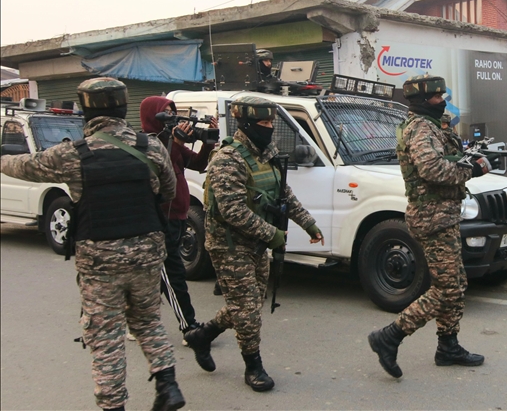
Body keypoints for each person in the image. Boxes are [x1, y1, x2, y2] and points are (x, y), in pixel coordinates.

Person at [0, 78, 185, 411]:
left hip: (100, 259)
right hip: (146, 250)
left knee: (105, 334)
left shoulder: (72, 154)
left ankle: (113, 405)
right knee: (148, 321)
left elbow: (24, 166)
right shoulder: (151, 147)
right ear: (123, 107)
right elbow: (168, 191)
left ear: (86, 110)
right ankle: (168, 386)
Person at [184, 95, 323, 392]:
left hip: (256, 243)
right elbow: (232, 210)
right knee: (247, 310)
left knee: (248, 304)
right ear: (246, 124)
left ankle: (202, 335)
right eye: (264, 122)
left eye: (272, 122)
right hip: (229, 245)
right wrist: (273, 234)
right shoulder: (227, 159)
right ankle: (253, 366)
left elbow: (283, 193)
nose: (270, 127)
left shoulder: (266, 153)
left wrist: (308, 223)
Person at [368, 74, 492, 378]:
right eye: (437, 97)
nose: (442, 101)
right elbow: (432, 169)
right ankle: (390, 336)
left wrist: (468, 158)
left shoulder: (433, 125)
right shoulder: (421, 128)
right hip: (432, 217)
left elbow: (445, 159)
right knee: (446, 289)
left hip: (444, 215)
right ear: (423, 100)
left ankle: (448, 345)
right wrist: (471, 171)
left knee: (456, 284)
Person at [140, 96, 218, 338]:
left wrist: (208, 141)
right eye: (166, 113)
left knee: (157, 275)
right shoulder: (146, 144)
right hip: (161, 220)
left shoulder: (170, 141)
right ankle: (189, 326)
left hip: (179, 217)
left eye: (173, 112)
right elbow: (161, 169)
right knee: (172, 273)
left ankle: (139, 321)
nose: (172, 118)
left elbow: (197, 163)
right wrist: (175, 142)